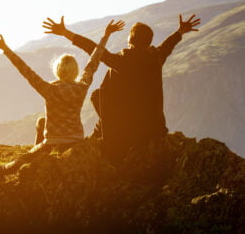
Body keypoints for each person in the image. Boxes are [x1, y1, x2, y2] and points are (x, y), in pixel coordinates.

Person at [42, 14, 201, 160]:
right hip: (154, 128)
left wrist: (65, 33)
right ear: (149, 42)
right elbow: (168, 45)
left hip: (127, 132)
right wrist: (180, 31)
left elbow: (93, 49)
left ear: (130, 40)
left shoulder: (121, 61)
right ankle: (100, 131)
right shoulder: (156, 57)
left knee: (98, 94)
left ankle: (103, 133)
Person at [0, 20, 124, 178]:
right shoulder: (82, 86)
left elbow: (25, 70)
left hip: (53, 142)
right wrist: (106, 35)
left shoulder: (48, 89)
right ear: (75, 71)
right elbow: (94, 61)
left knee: (27, 157)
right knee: (41, 122)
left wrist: (5, 49)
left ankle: (0, 171)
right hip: (76, 141)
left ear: (57, 70)